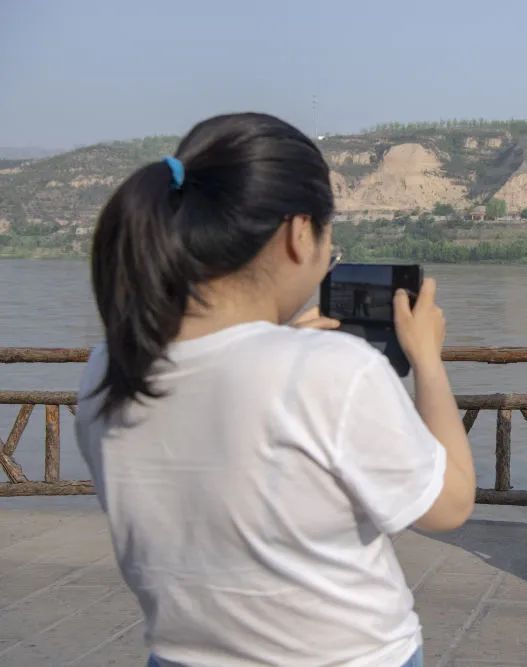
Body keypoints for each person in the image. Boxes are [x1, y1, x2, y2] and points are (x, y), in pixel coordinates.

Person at [74, 113, 476, 667]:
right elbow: (448, 506)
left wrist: (279, 345)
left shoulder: (107, 367)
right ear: (297, 233)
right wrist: (428, 362)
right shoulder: (334, 370)